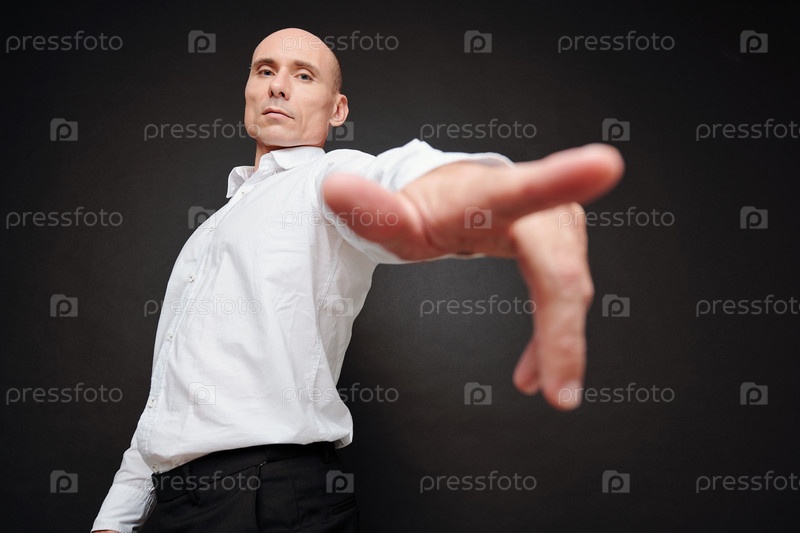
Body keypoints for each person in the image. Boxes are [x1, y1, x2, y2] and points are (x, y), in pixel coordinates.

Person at [92, 27, 623, 533]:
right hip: (176, 505)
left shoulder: (326, 178)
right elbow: (168, 395)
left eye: (304, 75)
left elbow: (399, 176)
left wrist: (487, 193)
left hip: (269, 499)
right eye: (265, 70)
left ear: (337, 109)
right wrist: (116, 517)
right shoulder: (208, 232)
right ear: (249, 90)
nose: (279, 85)